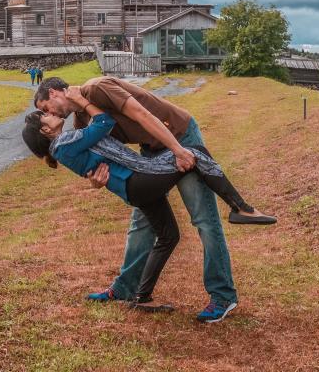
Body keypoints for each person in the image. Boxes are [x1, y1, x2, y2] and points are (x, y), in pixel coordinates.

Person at [34, 76, 264, 323]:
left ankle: (222, 295)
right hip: (149, 152)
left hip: (178, 136)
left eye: (45, 108)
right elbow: (90, 161)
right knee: (141, 226)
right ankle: (125, 288)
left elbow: (142, 115)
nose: (49, 113)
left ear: (56, 92)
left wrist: (178, 150)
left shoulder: (97, 89)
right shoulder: (82, 120)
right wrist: (96, 181)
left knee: (203, 219)